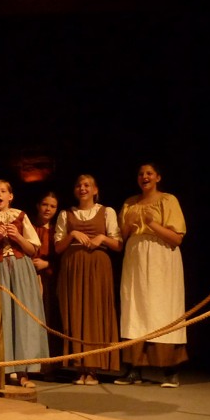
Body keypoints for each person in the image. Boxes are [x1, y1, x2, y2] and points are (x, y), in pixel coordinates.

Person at [115, 162, 188, 388]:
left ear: (158, 177)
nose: (144, 177)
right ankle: (133, 368)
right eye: (140, 174)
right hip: (135, 258)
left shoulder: (168, 200)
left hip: (161, 258)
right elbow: (121, 238)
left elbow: (177, 238)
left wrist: (152, 224)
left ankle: (170, 370)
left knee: (163, 309)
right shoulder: (130, 203)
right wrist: (128, 225)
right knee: (134, 309)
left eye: (149, 173)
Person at [0, 179, 48, 387]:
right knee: (1, 318)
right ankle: (3, 372)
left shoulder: (20, 216)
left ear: (10, 196)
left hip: (20, 269)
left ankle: (23, 373)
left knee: (23, 317)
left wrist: (17, 236)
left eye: (3, 191)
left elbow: (33, 249)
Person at [54, 175, 122, 385]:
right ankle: (79, 368)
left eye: (87, 185)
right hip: (73, 267)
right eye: (78, 185)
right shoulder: (66, 214)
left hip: (97, 267)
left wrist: (102, 238)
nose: (82, 188)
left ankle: (92, 369)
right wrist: (72, 234)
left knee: (95, 314)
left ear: (95, 190)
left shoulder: (107, 211)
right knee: (75, 313)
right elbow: (57, 247)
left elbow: (118, 244)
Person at [31, 190, 61, 380]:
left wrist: (47, 264)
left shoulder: (57, 230)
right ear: (38, 206)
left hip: (50, 280)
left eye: (52, 206)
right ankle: (30, 365)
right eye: (45, 204)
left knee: (49, 320)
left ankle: (49, 367)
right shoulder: (29, 227)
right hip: (30, 278)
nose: (48, 209)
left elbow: (62, 257)